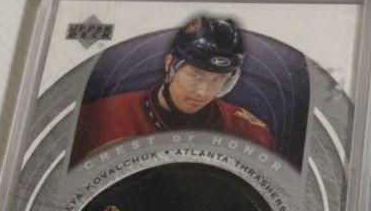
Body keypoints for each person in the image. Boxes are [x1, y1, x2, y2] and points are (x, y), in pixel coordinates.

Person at [70, 17, 275, 165]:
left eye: (218, 79)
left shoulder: (251, 132)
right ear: (170, 63)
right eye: (195, 75)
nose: (203, 92)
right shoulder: (98, 119)